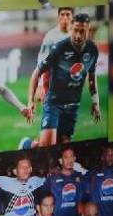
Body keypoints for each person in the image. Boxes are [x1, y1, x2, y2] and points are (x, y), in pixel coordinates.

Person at [28, 14, 101, 146]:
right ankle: (27, 145)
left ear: (88, 30)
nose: (78, 35)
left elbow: (91, 76)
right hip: (54, 104)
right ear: (71, 28)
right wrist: (31, 101)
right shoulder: (60, 48)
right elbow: (37, 72)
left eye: (82, 31)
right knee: (47, 146)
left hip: (73, 106)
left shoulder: (92, 50)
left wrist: (95, 102)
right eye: (75, 30)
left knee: (64, 146)